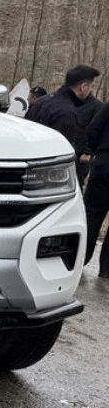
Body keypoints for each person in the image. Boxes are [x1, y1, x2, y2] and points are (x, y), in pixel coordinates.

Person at [25, 65, 100, 154]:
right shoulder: (67, 113)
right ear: (83, 87)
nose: (91, 90)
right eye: (91, 86)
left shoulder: (40, 101)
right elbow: (62, 154)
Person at [83, 100, 109, 277]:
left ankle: (79, 259)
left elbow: (93, 129)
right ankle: (106, 269)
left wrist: (95, 150)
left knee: (91, 215)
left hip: (105, 162)